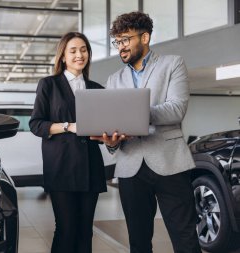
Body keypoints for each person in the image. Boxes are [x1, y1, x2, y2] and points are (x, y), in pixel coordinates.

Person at [91, 12, 202, 253]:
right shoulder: (114, 79)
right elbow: (113, 126)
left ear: (145, 37)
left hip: (170, 162)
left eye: (125, 40)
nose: (121, 47)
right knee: (138, 242)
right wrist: (110, 142)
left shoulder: (173, 64)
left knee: (185, 238)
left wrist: (135, 115)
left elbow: (176, 109)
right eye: (117, 42)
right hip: (130, 168)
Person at [29, 32, 107, 253]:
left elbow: (102, 128)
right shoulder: (49, 85)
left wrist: (105, 135)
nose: (79, 55)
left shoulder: (97, 89)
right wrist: (68, 126)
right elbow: (36, 124)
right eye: (73, 51)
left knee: (85, 231)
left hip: (90, 168)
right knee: (66, 228)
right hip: (61, 167)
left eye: (83, 50)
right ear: (63, 56)